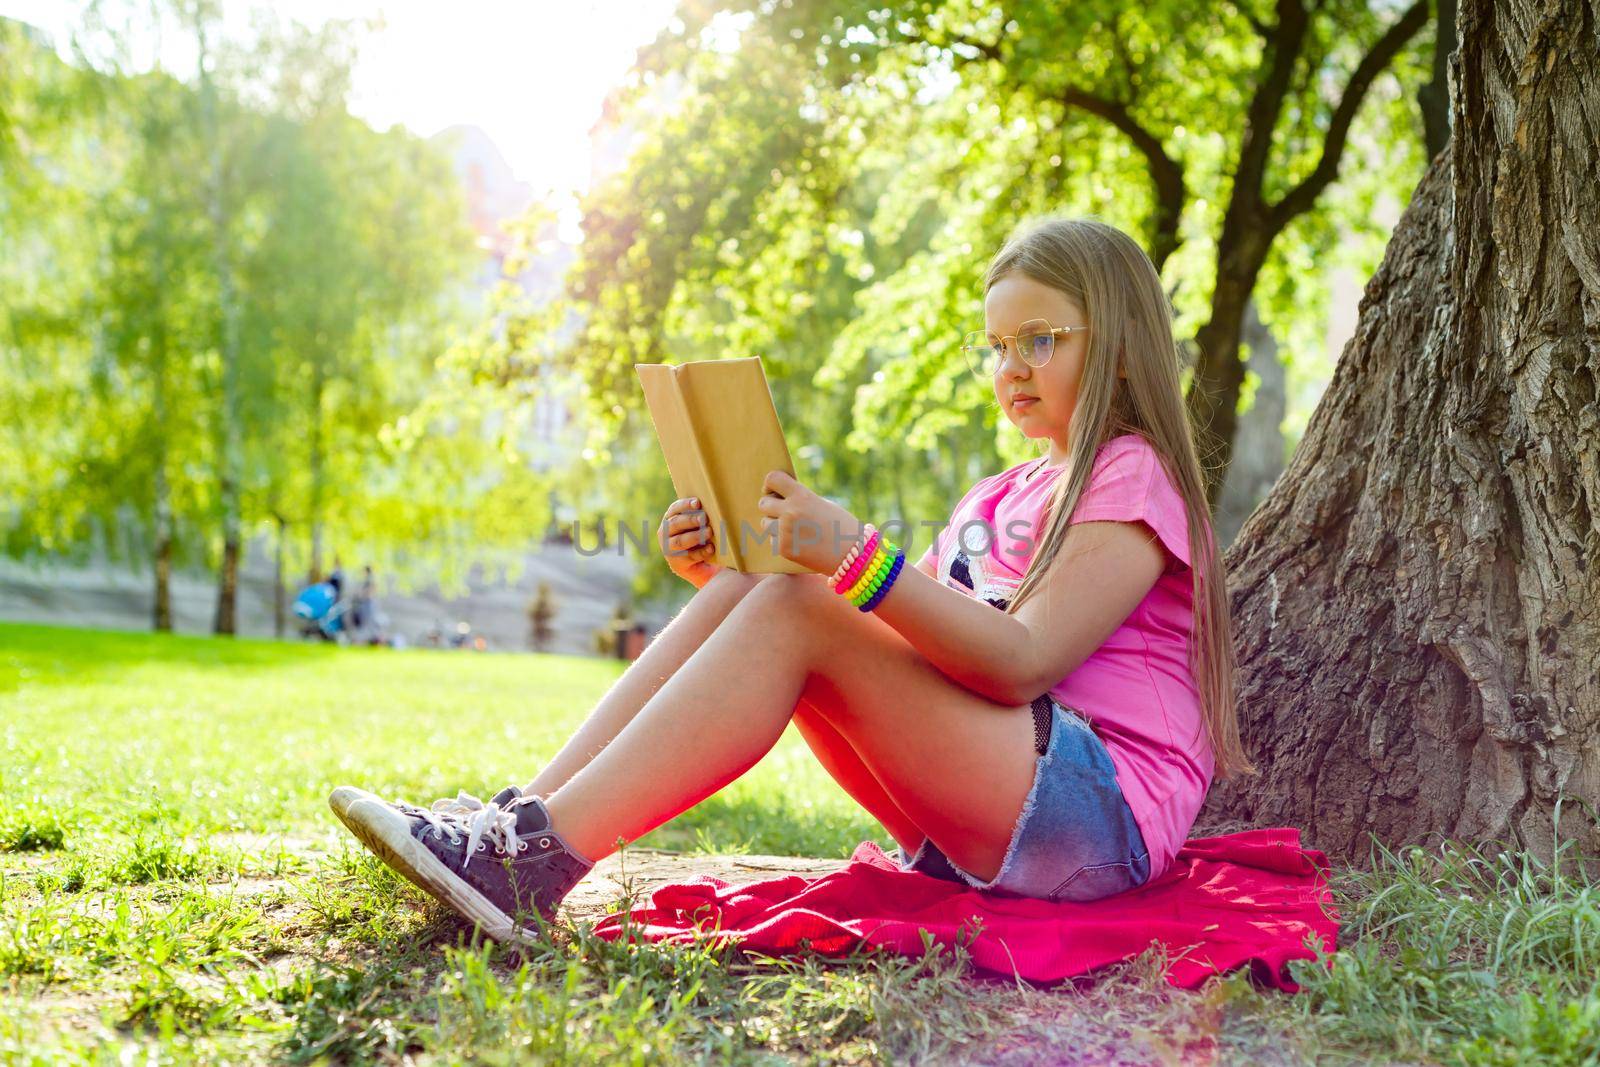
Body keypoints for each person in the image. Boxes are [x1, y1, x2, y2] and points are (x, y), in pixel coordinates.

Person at [329, 216, 1254, 942]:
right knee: (765, 587)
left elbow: (1018, 661)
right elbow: (905, 639)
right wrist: (725, 570)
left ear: (1122, 343)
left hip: (1099, 822)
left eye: (1040, 340)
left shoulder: (1132, 473)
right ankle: (515, 829)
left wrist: (846, 556)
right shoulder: (1004, 489)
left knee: (804, 597)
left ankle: (531, 856)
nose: (1011, 368)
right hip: (1010, 798)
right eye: (998, 346)